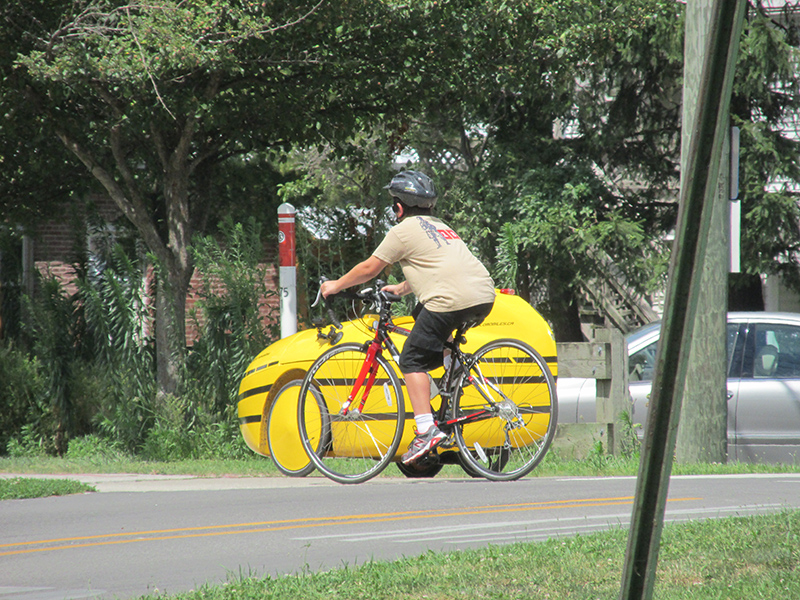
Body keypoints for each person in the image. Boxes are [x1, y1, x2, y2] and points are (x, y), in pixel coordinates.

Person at [320, 170, 496, 465]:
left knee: (411, 359)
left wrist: (335, 286)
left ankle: (426, 430)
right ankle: (453, 372)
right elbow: (437, 268)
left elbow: (369, 269)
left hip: (449, 300)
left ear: (398, 208)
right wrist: (402, 289)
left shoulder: (402, 230)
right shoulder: (441, 227)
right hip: (483, 295)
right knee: (421, 317)